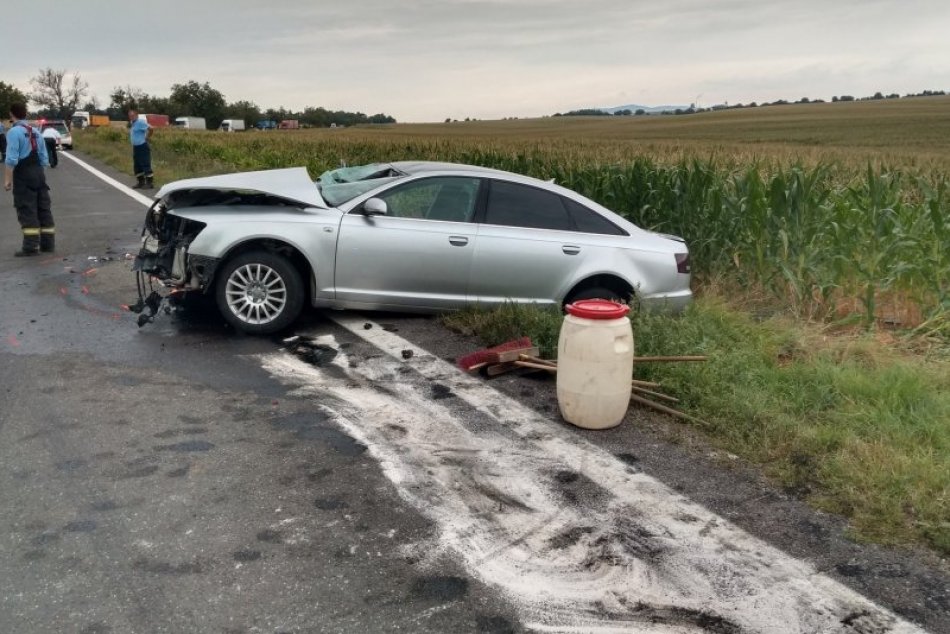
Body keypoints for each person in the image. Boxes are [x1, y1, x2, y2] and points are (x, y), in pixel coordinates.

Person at [3, 102, 54, 256]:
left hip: (24, 174)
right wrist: (39, 174)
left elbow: (11, 159)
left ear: (12, 114)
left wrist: (7, 180)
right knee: (43, 208)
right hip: (39, 173)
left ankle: (31, 247)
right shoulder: (36, 132)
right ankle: (48, 244)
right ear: (25, 114)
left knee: (26, 208)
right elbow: (44, 158)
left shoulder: (13, 132)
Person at [127, 106, 154, 189]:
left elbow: (151, 128)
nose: (131, 117)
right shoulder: (132, 123)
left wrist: (147, 137)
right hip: (136, 147)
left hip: (142, 146)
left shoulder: (140, 122)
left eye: (133, 115)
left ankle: (149, 183)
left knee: (145, 164)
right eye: (130, 116)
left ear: (137, 115)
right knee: (137, 165)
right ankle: (141, 182)